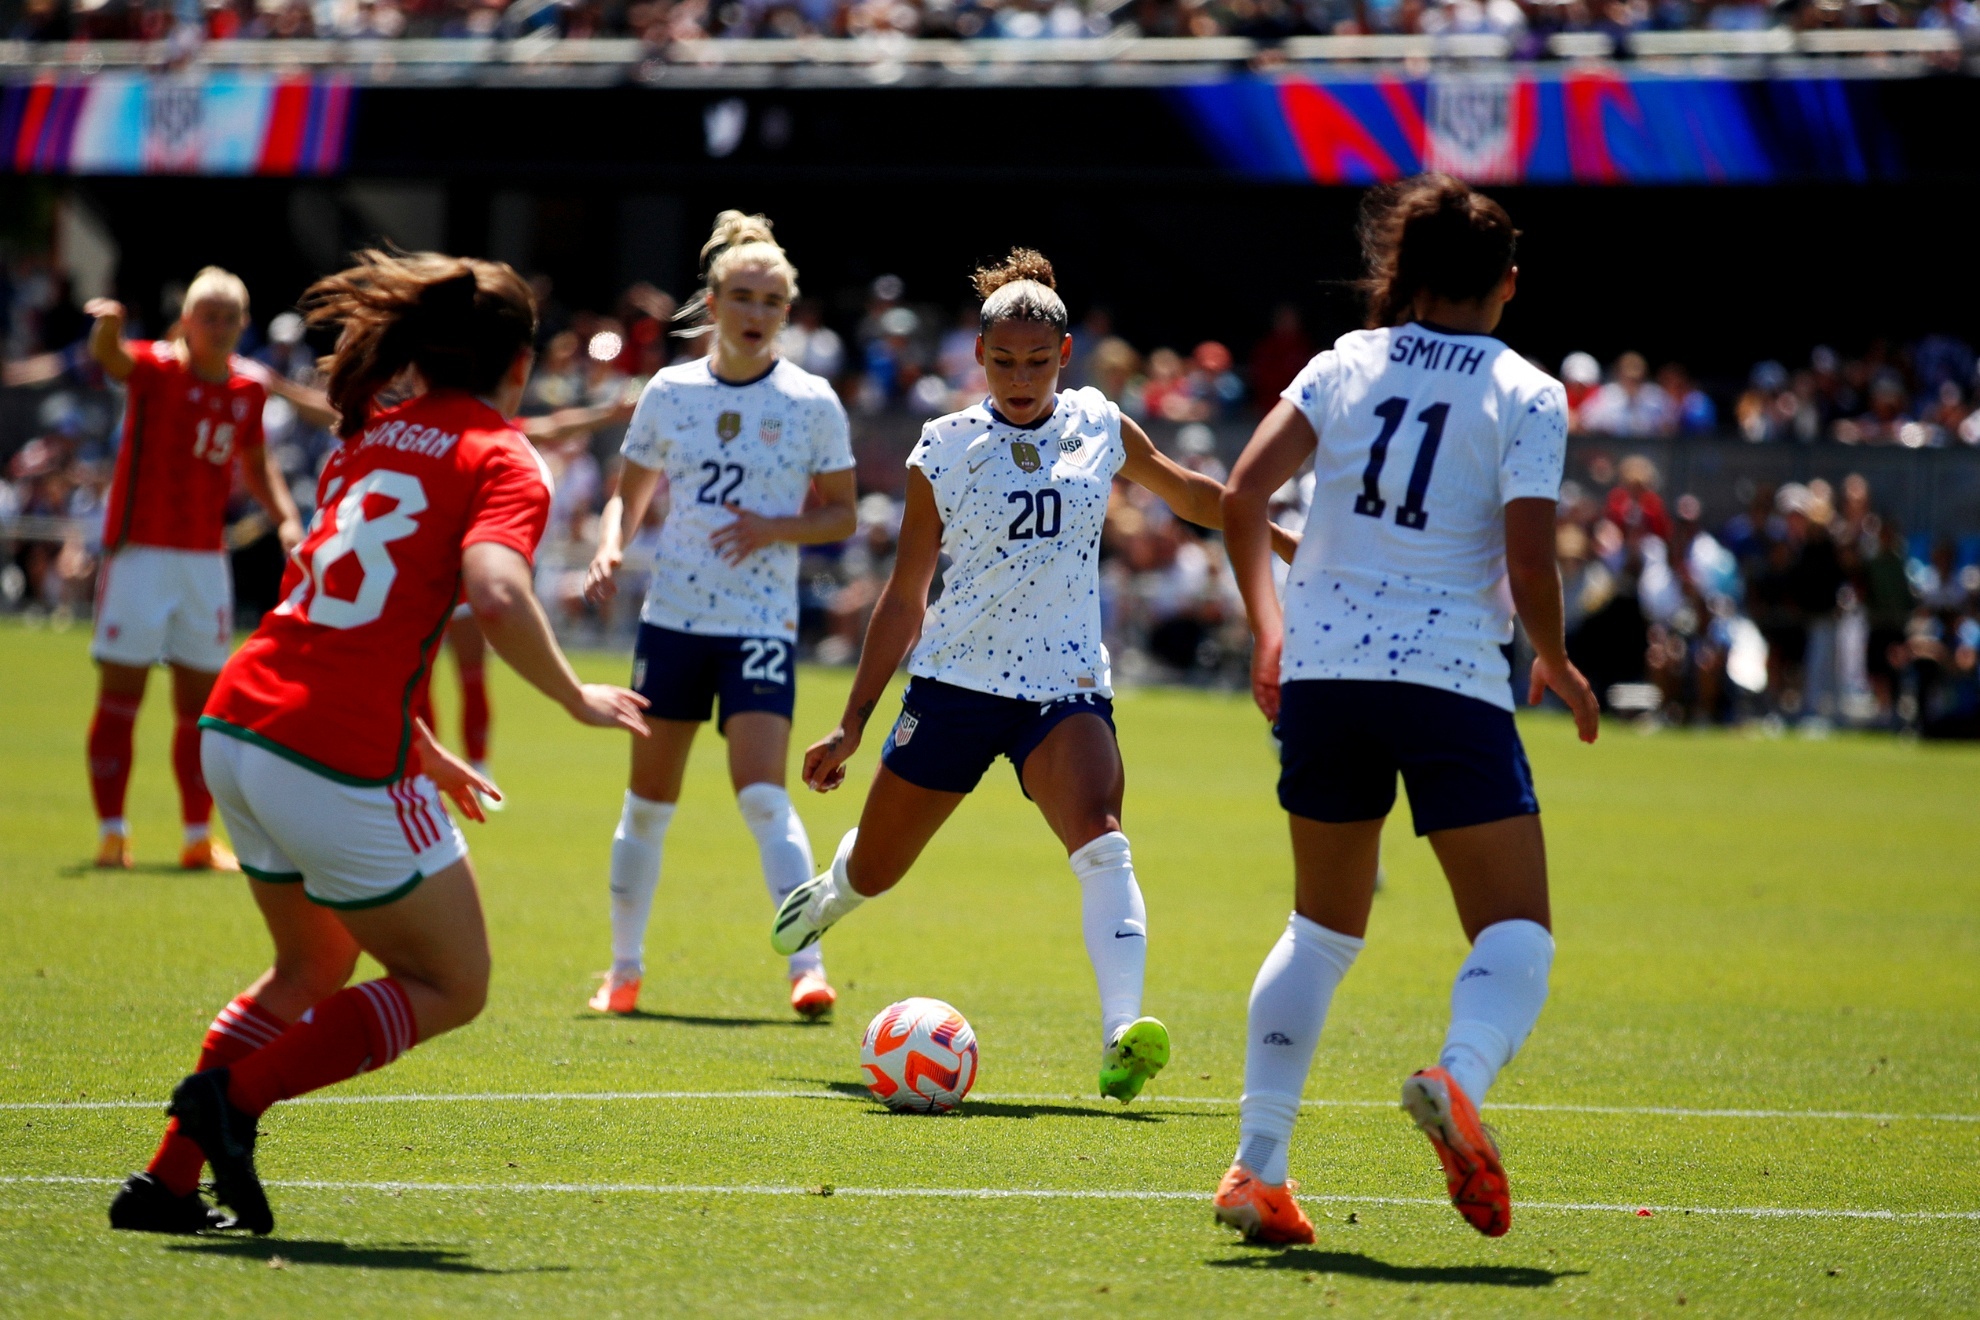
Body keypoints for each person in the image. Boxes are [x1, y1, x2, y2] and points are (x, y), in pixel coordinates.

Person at [105, 250, 649, 1238]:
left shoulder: (375, 432)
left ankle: (167, 1184)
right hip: (328, 748)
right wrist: (573, 694)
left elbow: (349, 612)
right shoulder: (502, 454)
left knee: (308, 969)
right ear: (519, 365)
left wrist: (424, 747)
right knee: (453, 982)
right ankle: (233, 1103)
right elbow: (493, 590)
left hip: (239, 720)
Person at [769, 250, 1299, 1103]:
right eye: (1004, 361)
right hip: (953, 688)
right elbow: (903, 600)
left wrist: (1276, 539)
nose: (1021, 376)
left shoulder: (1100, 424)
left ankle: (1123, 1031)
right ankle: (833, 893)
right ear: (979, 358)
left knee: (1102, 835)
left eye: (1038, 360)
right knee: (877, 869)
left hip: (1064, 690)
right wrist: (854, 722)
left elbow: (1193, 494)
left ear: (1064, 358)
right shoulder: (941, 449)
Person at [1211, 174, 1600, 1245]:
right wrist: (1558, 661)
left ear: (1406, 277)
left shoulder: (1346, 359)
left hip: (1325, 675)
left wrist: (1269, 626)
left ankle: (1258, 1167)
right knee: (1516, 933)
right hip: (1447, 680)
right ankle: (1458, 1076)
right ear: (1508, 285)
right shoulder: (1526, 392)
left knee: (1320, 930)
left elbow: (1243, 494)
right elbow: (1528, 557)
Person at [584, 212, 858, 1021]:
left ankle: (805, 968)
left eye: (770, 301)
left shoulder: (811, 401)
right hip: (672, 622)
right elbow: (625, 497)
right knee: (647, 805)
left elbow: (841, 515)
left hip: (759, 625)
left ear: (786, 311)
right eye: (741, 296)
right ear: (713, 300)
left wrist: (776, 527)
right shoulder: (670, 392)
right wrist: (608, 547)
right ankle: (623, 971)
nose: (754, 311)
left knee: (764, 797)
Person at [83, 269, 304, 872]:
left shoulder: (248, 389)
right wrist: (108, 330)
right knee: (121, 697)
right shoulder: (157, 369)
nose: (221, 328)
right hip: (141, 555)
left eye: (231, 317)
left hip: (205, 562)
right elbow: (112, 359)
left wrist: (286, 519)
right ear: (185, 321)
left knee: (201, 708)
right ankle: (111, 831)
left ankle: (195, 837)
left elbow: (258, 466)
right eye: (209, 316)